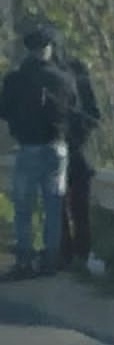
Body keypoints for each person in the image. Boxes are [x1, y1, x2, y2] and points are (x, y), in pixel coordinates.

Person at [0, 24, 79, 280]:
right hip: (57, 148)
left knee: (24, 207)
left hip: (29, 147)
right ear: (50, 49)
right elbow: (75, 109)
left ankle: (24, 259)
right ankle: (49, 259)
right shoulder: (64, 78)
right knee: (53, 206)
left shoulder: (15, 79)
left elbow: (3, 110)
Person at [58, 50, 101, 269]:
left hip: (70, 151)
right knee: (71, 207)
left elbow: (93, 116)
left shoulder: (76, 78)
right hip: (67, 151)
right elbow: (94, 116)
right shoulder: (73, 75)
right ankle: (74, 254)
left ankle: (73, 254)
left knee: (69, 207)